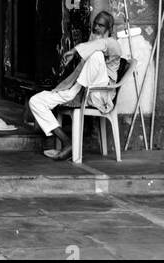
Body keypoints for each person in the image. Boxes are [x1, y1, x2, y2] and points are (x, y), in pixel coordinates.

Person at [27, 11, 122, 160]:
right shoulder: (92, 44)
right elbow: (92, 49)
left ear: (109, 28)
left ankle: (72, 94)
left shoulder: (113, 43)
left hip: (99, 96)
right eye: (95, 23)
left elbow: (102, 44)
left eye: (101, 25)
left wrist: (74, 50)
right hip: (81, 91)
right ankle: (66, 141)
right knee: (36, 101)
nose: (96, 27)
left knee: (96, 54)